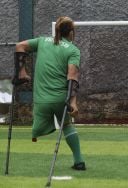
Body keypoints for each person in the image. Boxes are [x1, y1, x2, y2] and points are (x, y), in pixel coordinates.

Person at [15, 16, 86, 170]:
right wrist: (73, 102)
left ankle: (36, 133)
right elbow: (72, 77)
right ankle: (79, 161)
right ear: (71, 33)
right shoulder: (73, 50)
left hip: (41, 101)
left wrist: (21, 72)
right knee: (66, 125)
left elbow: (19, 46)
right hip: (61, 99)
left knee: (37, 128)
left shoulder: (42, 41)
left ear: (57, 30)